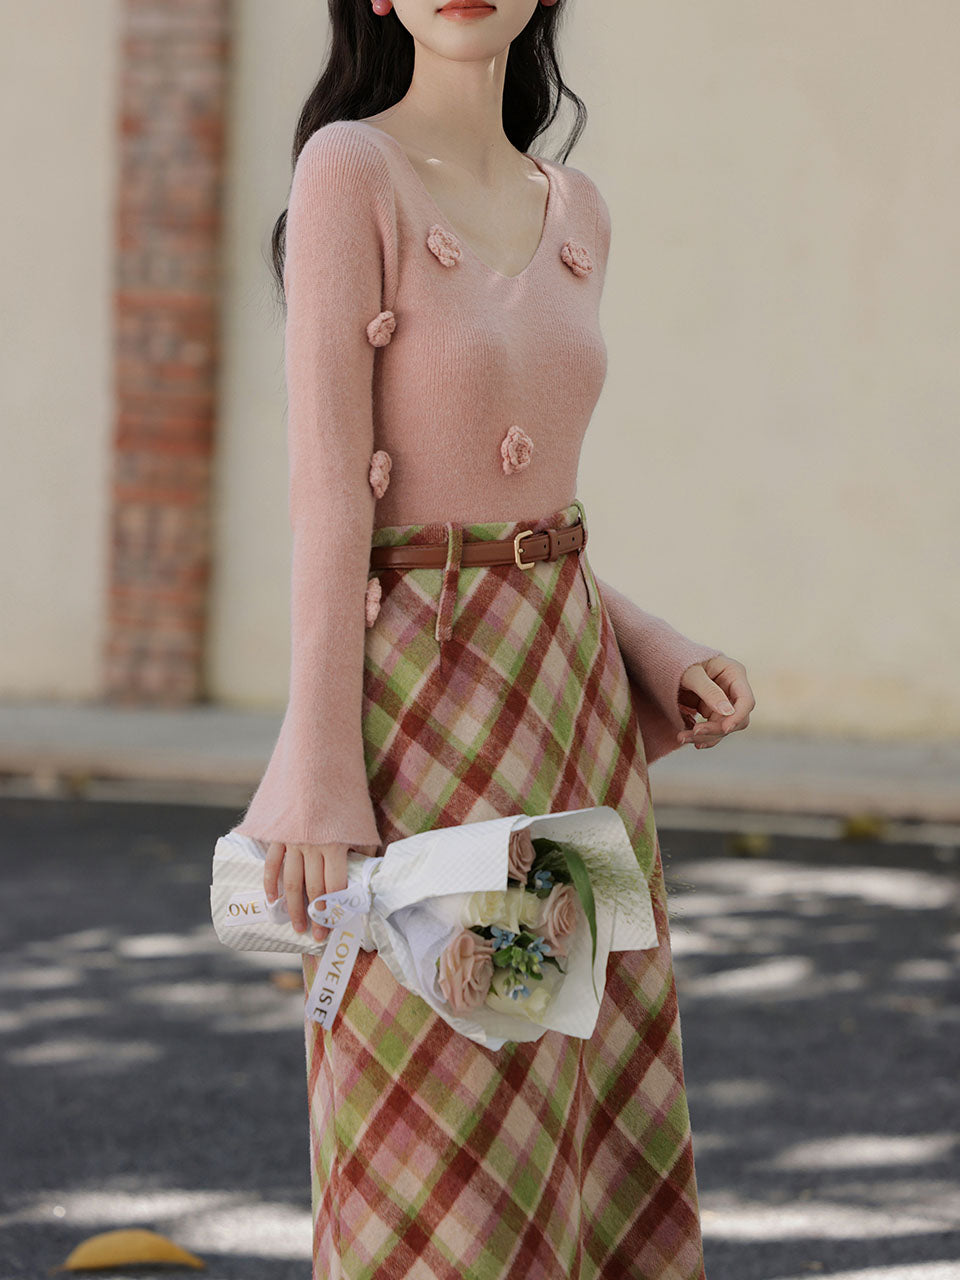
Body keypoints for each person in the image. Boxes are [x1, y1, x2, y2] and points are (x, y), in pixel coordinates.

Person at [232, 1, 756, 1275]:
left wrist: (647, 642)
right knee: (438, 1100)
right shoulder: (348, 169)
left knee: (559, 1087)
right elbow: (330, 496)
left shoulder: (577, 209)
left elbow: (530, 514)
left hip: (562, 710)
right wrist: (313, 767)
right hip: (420, 712)